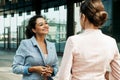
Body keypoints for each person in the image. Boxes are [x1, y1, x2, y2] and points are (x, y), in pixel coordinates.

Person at [58, 0, 120, 80]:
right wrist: (105, 75)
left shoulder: (73, 41)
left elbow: (63, 76)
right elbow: (118, 75)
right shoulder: (111, 42)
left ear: (83, 17)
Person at [12, 15, 58, 80]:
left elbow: (55, 67)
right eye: (41, 24)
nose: (45, 26)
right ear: (34, 30)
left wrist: (52, 70)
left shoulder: (52, 45)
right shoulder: (25, 44)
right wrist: (33, 69)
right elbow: (15, 68)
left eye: (46, 23)